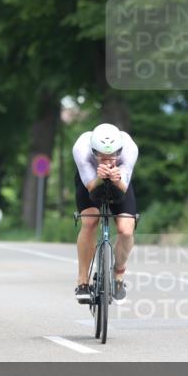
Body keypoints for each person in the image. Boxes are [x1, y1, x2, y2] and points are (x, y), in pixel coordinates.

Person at [73, 123, 139, 304]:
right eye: (102, 157)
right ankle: (83, 281)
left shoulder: (129, 148)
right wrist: (100, 177)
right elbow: (91, 188)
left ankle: (118, 276)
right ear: (94, 152)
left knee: (126, 229)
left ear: (120, 151)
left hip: (120, 182)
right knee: (90, 221)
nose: (109, 161)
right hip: (90, 180)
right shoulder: (81, 148)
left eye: (113, 156)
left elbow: (124, 189)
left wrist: (116, 179)